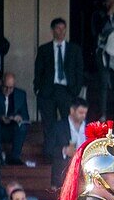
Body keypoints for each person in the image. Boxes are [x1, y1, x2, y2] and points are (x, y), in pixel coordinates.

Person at [34, 18, 84, 146]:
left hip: (67, 90)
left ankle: (68, 151)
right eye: (58, 28)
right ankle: (50, 151)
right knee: (48, 123)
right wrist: (38, 88)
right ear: (52, 30)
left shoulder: (74, 49)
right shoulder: (44, 49)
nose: (61, 32)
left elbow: (79, 71)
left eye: (63, 29)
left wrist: (76, 90)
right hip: (48, 90)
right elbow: (38, 70)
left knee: (68, 123)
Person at [0, 72, 29, 165]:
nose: (8, 90)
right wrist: (1, 118)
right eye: (5, 87)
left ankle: (15, 157)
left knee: (23, 126)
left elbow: (26, 116)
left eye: (11, 88)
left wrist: (19, 117)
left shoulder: (21, 94)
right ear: (0, 83)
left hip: (12, 129)